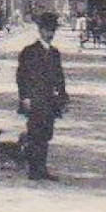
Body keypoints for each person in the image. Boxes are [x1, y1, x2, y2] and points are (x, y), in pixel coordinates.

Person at [16, 12, 68, 181]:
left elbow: (59, 78)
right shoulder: (29, 52)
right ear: (40, 30)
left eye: (53, 30)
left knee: (46, 134)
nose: (50, 34)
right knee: (34, 134)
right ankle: (33, 170)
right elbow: (21, 76)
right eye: (47, 30)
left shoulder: (55, 53)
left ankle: (42, 168)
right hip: (34, 99)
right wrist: (24, 97)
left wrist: (62, 96)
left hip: (49, 101)